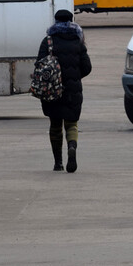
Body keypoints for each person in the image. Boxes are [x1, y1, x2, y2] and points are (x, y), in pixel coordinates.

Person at [37, 9, 92, 173]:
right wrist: (75, 76)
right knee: (71, 124)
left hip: (52, 90)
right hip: (72, 90)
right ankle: (72, 147)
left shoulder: (48, 41)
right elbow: (87, 67)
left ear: (55, 21)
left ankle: (58, 163)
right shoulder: (78, 41)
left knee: (55, 125)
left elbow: (39, 65)